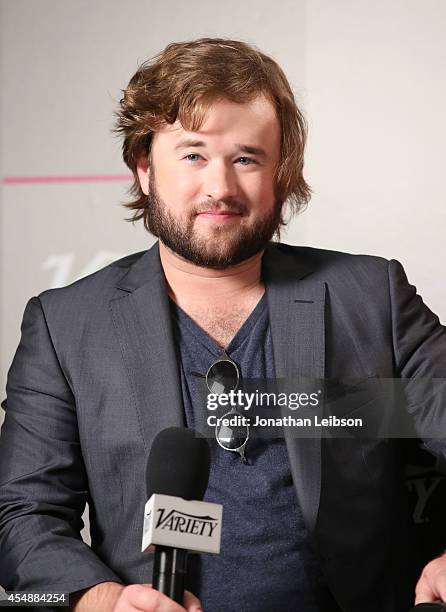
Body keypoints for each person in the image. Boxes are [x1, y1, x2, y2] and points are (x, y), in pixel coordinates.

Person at [1, 37, 446, 612]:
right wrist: (101, 599)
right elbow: (21, 513)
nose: (220, 188)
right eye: (192, 155)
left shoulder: (371, 298)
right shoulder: (65, 326)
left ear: (281, 175)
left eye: (246, 158)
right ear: (144, 169)